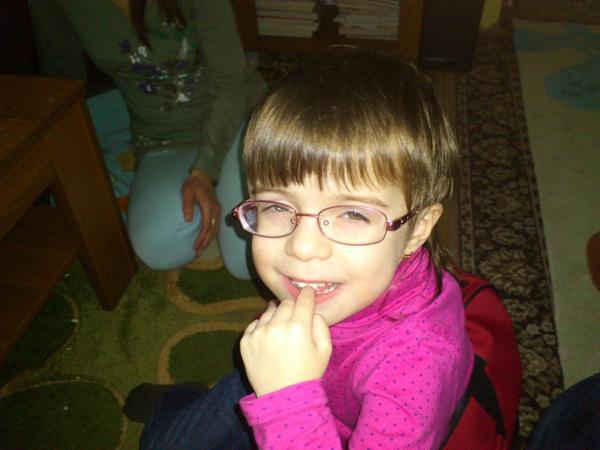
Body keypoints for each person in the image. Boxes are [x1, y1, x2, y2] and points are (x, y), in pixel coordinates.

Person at [132, 46, 474, 449]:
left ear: (417, 230)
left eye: (353, 214)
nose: (303, 248)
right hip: (288, 373)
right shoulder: (346, 274)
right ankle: (182, 403)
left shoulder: (418, 363)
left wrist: (286, 399)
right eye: (278, 207)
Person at [29, 0, 267, 276]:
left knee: (248, 261)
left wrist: (205, 171)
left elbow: (230, 85)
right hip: (161, 136)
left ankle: (235, 175)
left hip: (238, 120)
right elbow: (63, 84)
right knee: (158, 248)